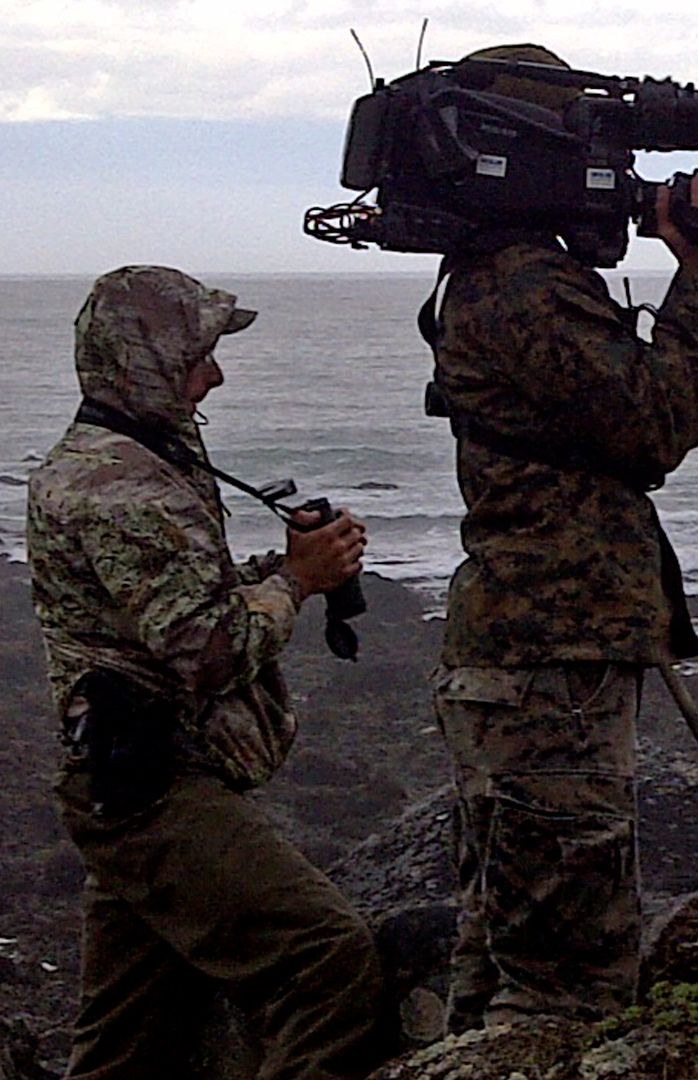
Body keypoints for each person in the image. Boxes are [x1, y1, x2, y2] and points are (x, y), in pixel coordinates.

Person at [425, 44, 698, 1030]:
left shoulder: (496, 276)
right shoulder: (527, 285)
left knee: (501, 951)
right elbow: (650, 423)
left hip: (526, 651)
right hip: (548, 661)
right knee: (563, 988)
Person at [27, 266, 384, 1079]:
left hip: (126, 787)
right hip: (156, 792)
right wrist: (298, 580)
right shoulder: (120, 484)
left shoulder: (135, 452)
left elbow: (169, 604)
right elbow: (211, 650)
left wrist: (285, 565)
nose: (215, 375)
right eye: (200, 356)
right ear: (146, 361)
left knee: (129, 1046)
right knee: (328, 960)